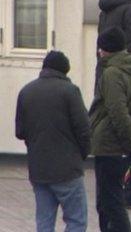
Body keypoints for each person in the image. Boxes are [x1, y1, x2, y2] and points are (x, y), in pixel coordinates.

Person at [15, 51, 91, 232]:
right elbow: (84, 129)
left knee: (44, 222)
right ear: (65, 71)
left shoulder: (26, 92)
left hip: (38, 170)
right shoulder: (70, 91)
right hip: (68, 169)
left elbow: (20, 132)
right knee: (76, 220)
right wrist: (82, 154)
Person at [90, 27, 131, 232]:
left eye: (101, 49)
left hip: (110, 145)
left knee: (109, 203)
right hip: (123, 146)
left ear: (107, 50)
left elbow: (117, 111)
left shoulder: (112, 73)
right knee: (112, 200)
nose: (99, 53)